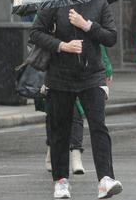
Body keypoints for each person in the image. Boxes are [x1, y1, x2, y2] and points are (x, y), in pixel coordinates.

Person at [30, 0, 121, 200]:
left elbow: (111, 37)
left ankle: (106, 179)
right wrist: (63, 45)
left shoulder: (99, 2)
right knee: (60, 129)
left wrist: (86, 25)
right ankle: (61, 180)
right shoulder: (52, 2)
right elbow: (35, 33)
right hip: (60, 76)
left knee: (98, 126)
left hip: (92, 74)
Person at [42, 45, 113, 174]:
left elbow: (99, 40)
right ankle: (52, 150)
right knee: (54, 115)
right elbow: (38, 35)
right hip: (55, 69)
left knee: (76, 112)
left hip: (83, 71)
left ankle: (75, 154)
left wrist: (106, 67)